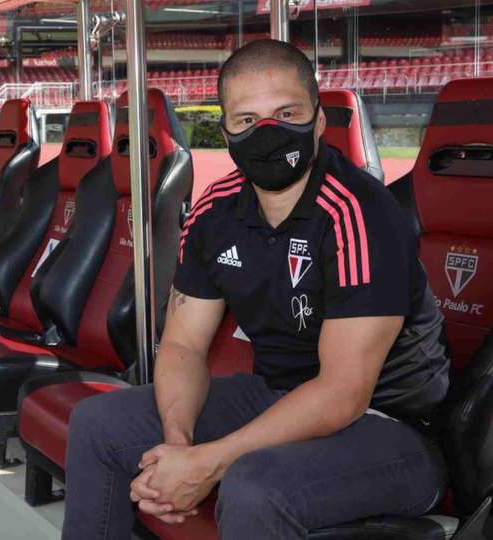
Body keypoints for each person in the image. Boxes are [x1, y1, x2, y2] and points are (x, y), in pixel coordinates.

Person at [61, 39, 450, 540]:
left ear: (318, 121)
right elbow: (182, 345)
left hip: (388, 427)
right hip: (274, 394)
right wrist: (179, 444)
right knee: (98, 423)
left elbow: (343, 393)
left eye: (286, 113)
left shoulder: (360, 213)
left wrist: (209, 463)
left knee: (253, 485)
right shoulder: (214, 211)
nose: (266, 133)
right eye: (246, 121)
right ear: (224, 130)